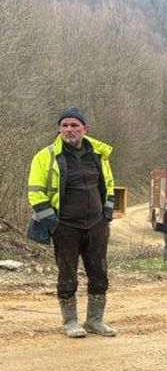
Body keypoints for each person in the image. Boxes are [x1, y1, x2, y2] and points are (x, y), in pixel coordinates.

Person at [27, 107, 118, 338]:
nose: (69, 129)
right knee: (67, 274)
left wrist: (107, 214)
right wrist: (53, 224)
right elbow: (36, 193)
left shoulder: (98, 155)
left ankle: (95, 320)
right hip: (65, 226)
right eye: (65, 125)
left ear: (84, 129)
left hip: (96, 225)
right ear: (59, 129)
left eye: (74, 125)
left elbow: (107, 185)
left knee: (99, 273)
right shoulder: (45, 157)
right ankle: (70, 322)